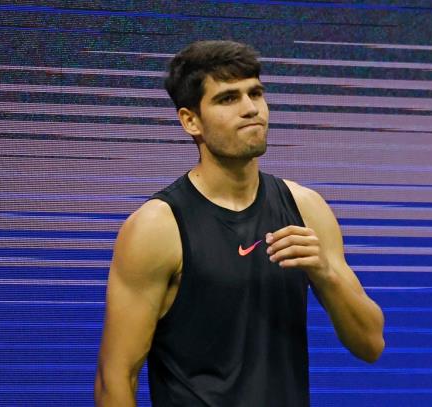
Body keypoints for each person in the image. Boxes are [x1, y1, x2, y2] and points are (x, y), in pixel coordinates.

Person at [94, 40, 384, 406]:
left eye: (256, 93)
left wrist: (326, 272)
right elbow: (115, 378)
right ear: (190, 121)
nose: (251, 109)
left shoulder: (306, 208)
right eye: (228, 99)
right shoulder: (157, 227)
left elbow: (371, 344)